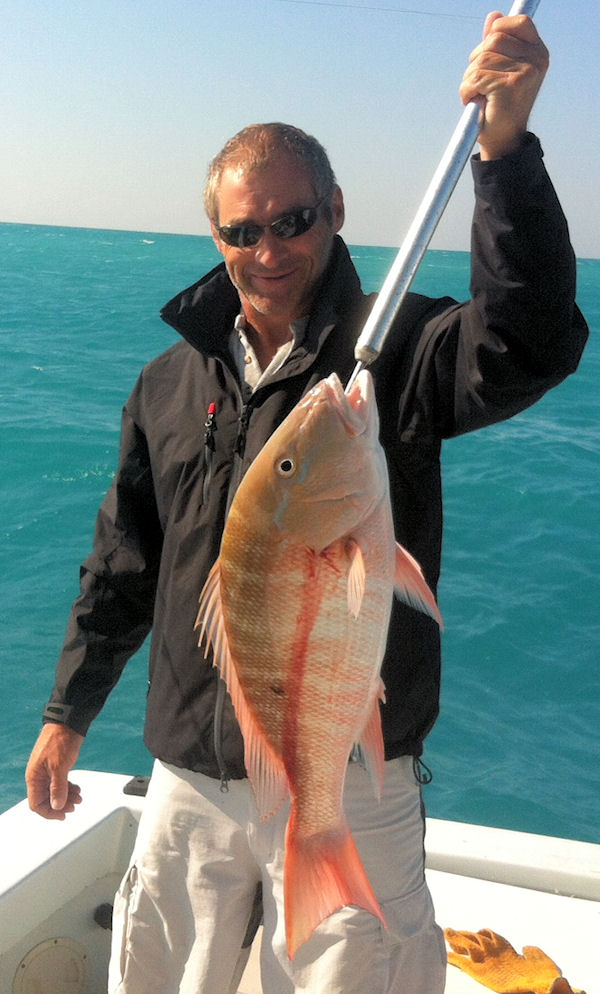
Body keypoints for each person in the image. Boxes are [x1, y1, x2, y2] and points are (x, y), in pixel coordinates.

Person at [25, 12, 588, 994]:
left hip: (346, 766)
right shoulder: (167, 383)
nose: (270, 248)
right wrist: (67, 712)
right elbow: (124, 560)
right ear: (217, 237)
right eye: (243, 230)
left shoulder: (398, 350)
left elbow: (529, 342)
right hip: (195, 766)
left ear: (333, 208)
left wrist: (504, 152)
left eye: (293, 220)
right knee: (161, 975)